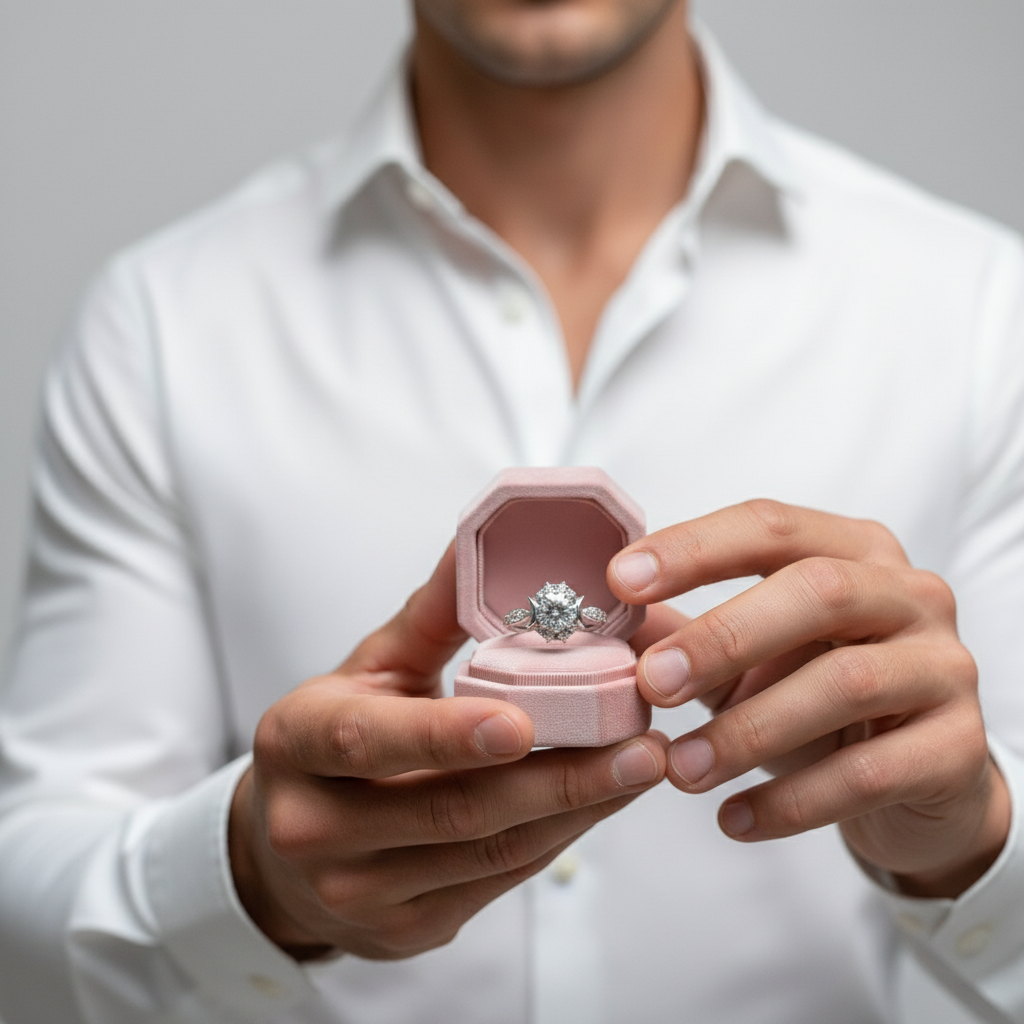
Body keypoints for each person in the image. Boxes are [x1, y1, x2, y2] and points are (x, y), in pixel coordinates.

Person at [1, 1, 1023, 1021]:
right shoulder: (163, 325)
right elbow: (34, 869)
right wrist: (243, 878)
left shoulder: (976, 311)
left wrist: (971, 840)